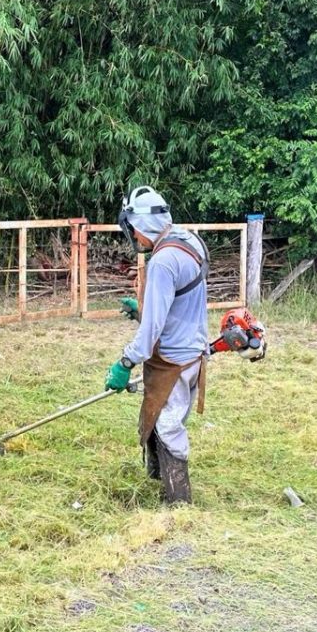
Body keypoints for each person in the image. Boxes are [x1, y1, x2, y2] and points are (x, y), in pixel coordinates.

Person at [105, 186, 208, 504]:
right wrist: (142, 309)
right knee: (157, 412)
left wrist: (125, 362)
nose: (133, 236)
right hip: (193, 353)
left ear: (140, 225)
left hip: (173, 361)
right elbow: (180, 301)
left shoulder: (162, 261)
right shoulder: (189, 241)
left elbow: (151, 332)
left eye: (132, 229)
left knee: (167, 423)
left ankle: (179, 500)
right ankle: (156, 475)